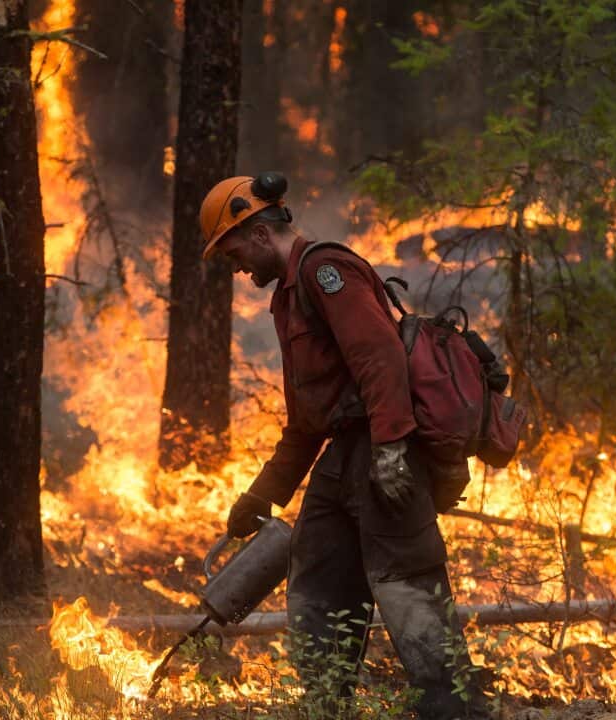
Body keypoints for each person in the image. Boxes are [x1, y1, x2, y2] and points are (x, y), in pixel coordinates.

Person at [200, 172, 486, 719]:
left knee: (409, 595)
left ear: (259, 233)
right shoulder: (288, 298)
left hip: (381, 452)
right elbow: (307, 423)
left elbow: (380, 357)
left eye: (232, 249)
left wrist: (392, 448)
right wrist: (263, 496)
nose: (234, 266)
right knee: (317, 587)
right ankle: (328, 708)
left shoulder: (324, 271)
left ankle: (459, 713)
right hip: (344, 460)